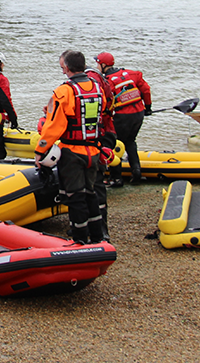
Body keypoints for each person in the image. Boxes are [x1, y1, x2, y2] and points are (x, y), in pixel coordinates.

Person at [34, 50, 106, 244]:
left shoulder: (65, 91)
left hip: (73, 152)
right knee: (90, 194)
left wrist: (40, 151)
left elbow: (54, 126)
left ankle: (80, 239)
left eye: (62, 67)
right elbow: (101, 113)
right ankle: (97, 236)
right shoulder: (97, 87)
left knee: (75, 197)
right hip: (93, 151)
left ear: (66, 67)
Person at [94, 51, 152, 186]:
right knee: (130, 141)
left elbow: (105, 101)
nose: (97, 67)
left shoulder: (106, 81)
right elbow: (146, 90)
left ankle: (116, 178)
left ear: (103, 65)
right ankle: (136, 172)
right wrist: (148, 108)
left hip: (122, 117)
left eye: (98, 64)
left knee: (114, 144)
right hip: (138, 114)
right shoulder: (132, 74)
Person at [85, 59, 116, 240]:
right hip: (106, 134)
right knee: (98, 184)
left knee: (92, 184)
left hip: (96, 138)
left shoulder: (88, 84)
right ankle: (101, 229)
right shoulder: (104, 82)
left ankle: (96, 231)